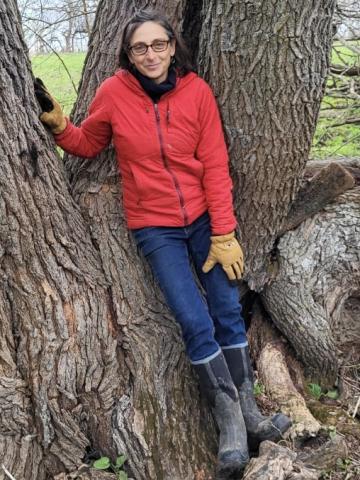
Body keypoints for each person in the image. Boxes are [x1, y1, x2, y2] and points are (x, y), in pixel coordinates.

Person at [34, 9, 291, 478]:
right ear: (128, 55)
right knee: (193, 320)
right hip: (155, 227)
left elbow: (214, 164)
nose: (150, 54)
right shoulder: (113, 93)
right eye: (139, 48)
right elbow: (89, 142)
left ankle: (252, 414)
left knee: (226, 310)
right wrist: (57, 124)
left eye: (158, 45)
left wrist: (225, 232)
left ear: (172, 47)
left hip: (206, 222)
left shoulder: (197, 92)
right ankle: (230, 422)